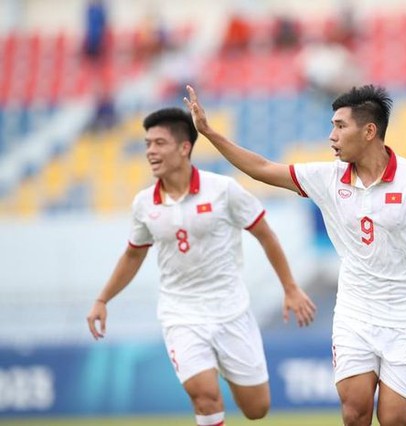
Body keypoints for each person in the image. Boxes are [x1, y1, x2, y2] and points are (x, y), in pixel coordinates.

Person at [184, 84, 406, 426]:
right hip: (355, 313)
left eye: (339, 126)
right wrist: (210, 133)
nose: (331, 136)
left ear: (368, 131)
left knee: (393, 419)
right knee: (354, 411)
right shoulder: (327, 178)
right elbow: (261, 168)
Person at [86, 107, 316, 426]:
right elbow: (133, 254)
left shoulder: (223, 190)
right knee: (204, 396)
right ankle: (206, 373)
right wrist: (102, 299)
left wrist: (290, 288)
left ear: (184, 147)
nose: (151, 151)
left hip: (231, 310)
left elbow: (265, 234)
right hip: (181, 313)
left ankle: (223, 363)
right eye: (147, 144)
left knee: (257, 408)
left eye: (159, 143)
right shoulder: (144, 203)